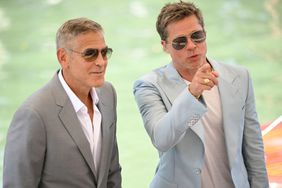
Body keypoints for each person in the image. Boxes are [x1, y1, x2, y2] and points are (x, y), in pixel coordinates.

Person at [133, 2, 268, 188]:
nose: (191, 46)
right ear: (165, 46)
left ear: (205, 33)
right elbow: (161, 139)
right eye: (180, 42)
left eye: (197, 36)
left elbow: (253, 146)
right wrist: (192, 93)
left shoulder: (239, 77)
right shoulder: (148, 85)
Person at [3, 18, 121, 188]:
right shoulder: (33, 113)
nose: (101, 62)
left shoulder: (108, 94)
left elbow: (112, 171)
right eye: (90, 54)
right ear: (63, 57)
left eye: (105, 52)